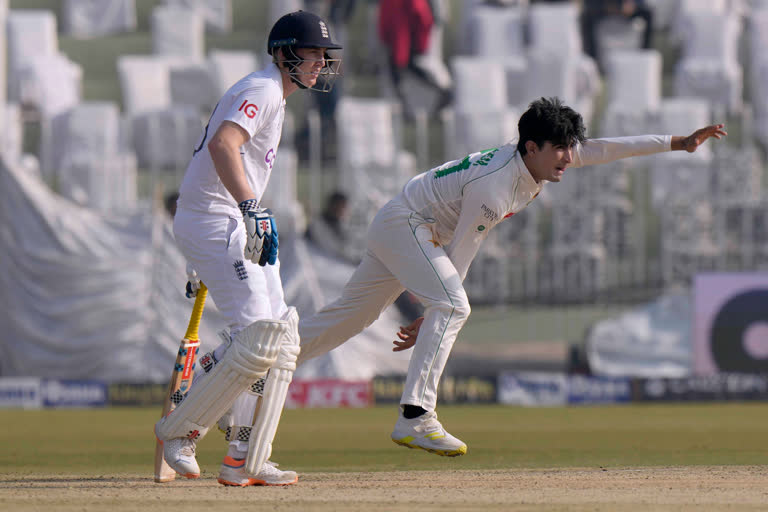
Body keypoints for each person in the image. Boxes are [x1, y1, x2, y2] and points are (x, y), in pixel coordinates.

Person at [252, 97, 726, 458]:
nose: (568, 157)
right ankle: (415, 415)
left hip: (405, 227)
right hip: (408, 225)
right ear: (532, 147)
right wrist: (430, 309)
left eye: (568, 148)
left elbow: (601, 149)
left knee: (346, 321)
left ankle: (263, 364)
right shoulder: (496, 186)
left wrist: (677, 143)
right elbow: (462, 252)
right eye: (559, 149)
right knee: (454, 304)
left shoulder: (537, 160)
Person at [154, 10, 342, 486]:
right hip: (218, 218)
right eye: (312, 53)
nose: (320, 62)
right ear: (283, 54)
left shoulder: (274, 95)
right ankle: (180, 430)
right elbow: (223, 144)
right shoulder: (261, 88)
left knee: (280, 336)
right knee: (258, 335)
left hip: (230, 219)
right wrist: (251, 208)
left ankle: (242, 455)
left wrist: (250, 213)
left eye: (324, 54)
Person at [378, 0, 453, 118]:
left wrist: (419, 40)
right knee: (401, 70)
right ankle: (405, 106)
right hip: (403, 37)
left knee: (409, 68)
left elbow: (420, 14)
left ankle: (444, 92)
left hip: (406, 38)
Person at [580, 0, 654, 65]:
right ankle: (593, 62)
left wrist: (633, 4)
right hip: (602, 9)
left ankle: (643, 56)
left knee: (648, 12)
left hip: (628, 11)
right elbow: (589, 4)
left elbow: (642, 4)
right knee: (587, 16)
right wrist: (607, 6)